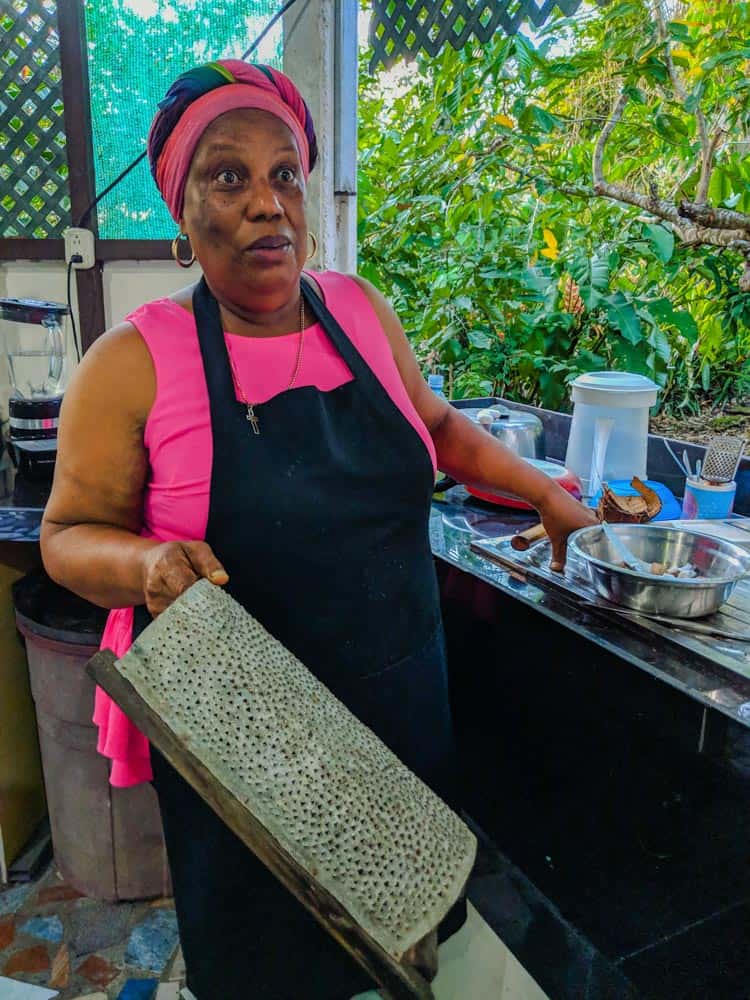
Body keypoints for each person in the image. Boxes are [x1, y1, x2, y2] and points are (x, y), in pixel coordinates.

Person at [40, 59, 597, 998]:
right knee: (270, 966)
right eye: (228, 176)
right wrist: (145, 564)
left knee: (408, 937)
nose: (266, 202)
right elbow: (67, 535)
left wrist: (544, 492)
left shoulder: (359, 309)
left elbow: (442, 425)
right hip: (250, 744)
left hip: (400, 701)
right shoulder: (131, 363)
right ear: (183, 214)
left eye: (285, 173)